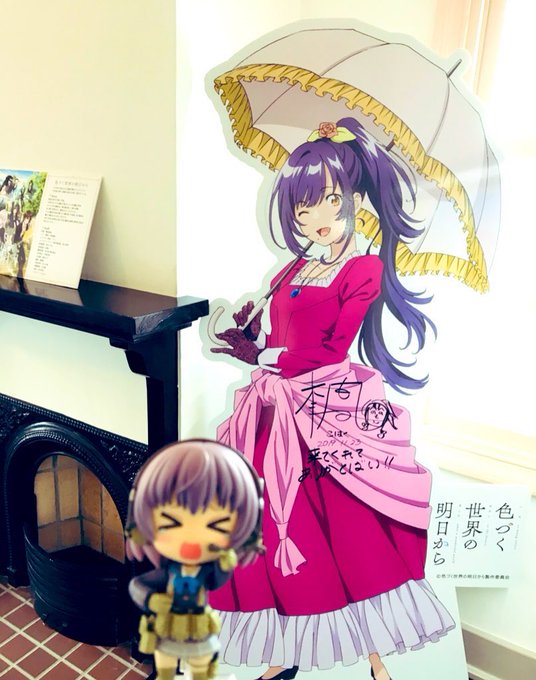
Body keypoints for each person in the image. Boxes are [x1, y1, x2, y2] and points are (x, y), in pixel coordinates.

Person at [209, 117, 455, 680]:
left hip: (328, 412)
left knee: (350, 533)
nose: (316, 217)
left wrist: (266, 358)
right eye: (304, 207)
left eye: (329, 200)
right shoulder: (295, 266)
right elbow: (279, 336)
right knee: (281, 529)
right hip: (275, 413)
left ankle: (375, 659)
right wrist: (248, 336)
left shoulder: (364, 268)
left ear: (355, 198)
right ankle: (287, 649)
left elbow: (330, 350)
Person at [126, 439, 264, 680]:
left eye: (217, 526)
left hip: (198, 627)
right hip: (169, 625)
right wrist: (151, 600)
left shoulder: (209, 569)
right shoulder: (169, 569)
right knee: (165, 663)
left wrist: (224, 564)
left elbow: (215, 582)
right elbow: (138, 585)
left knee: (202, 664)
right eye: (170, 523)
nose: (190, 542)